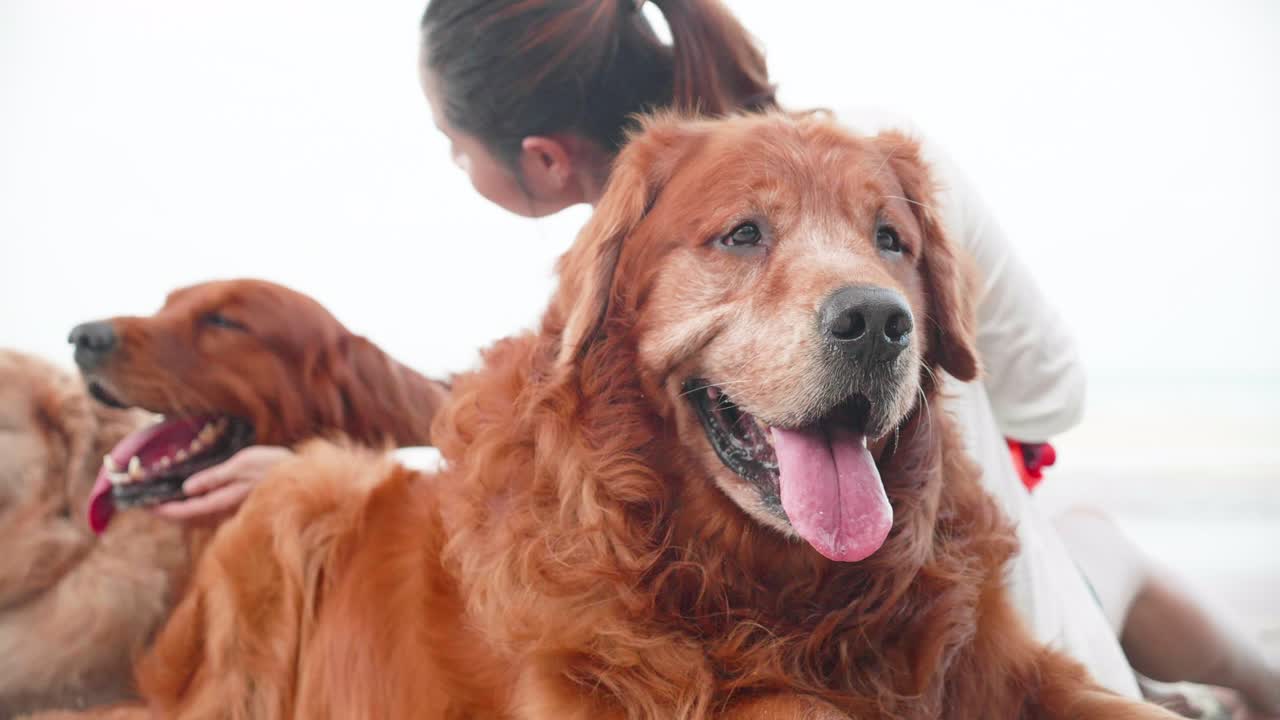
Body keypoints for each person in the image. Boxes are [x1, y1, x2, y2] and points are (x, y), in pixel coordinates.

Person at [152, 0, 1279, 715]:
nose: (872, 301)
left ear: (541, 161)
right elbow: (1052, 398)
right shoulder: (613, 308)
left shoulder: (870, 158)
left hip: (965, 595)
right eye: (739, 237)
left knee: (1066, 549)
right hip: (971, 567)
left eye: (889, 254)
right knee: (1082, 533)